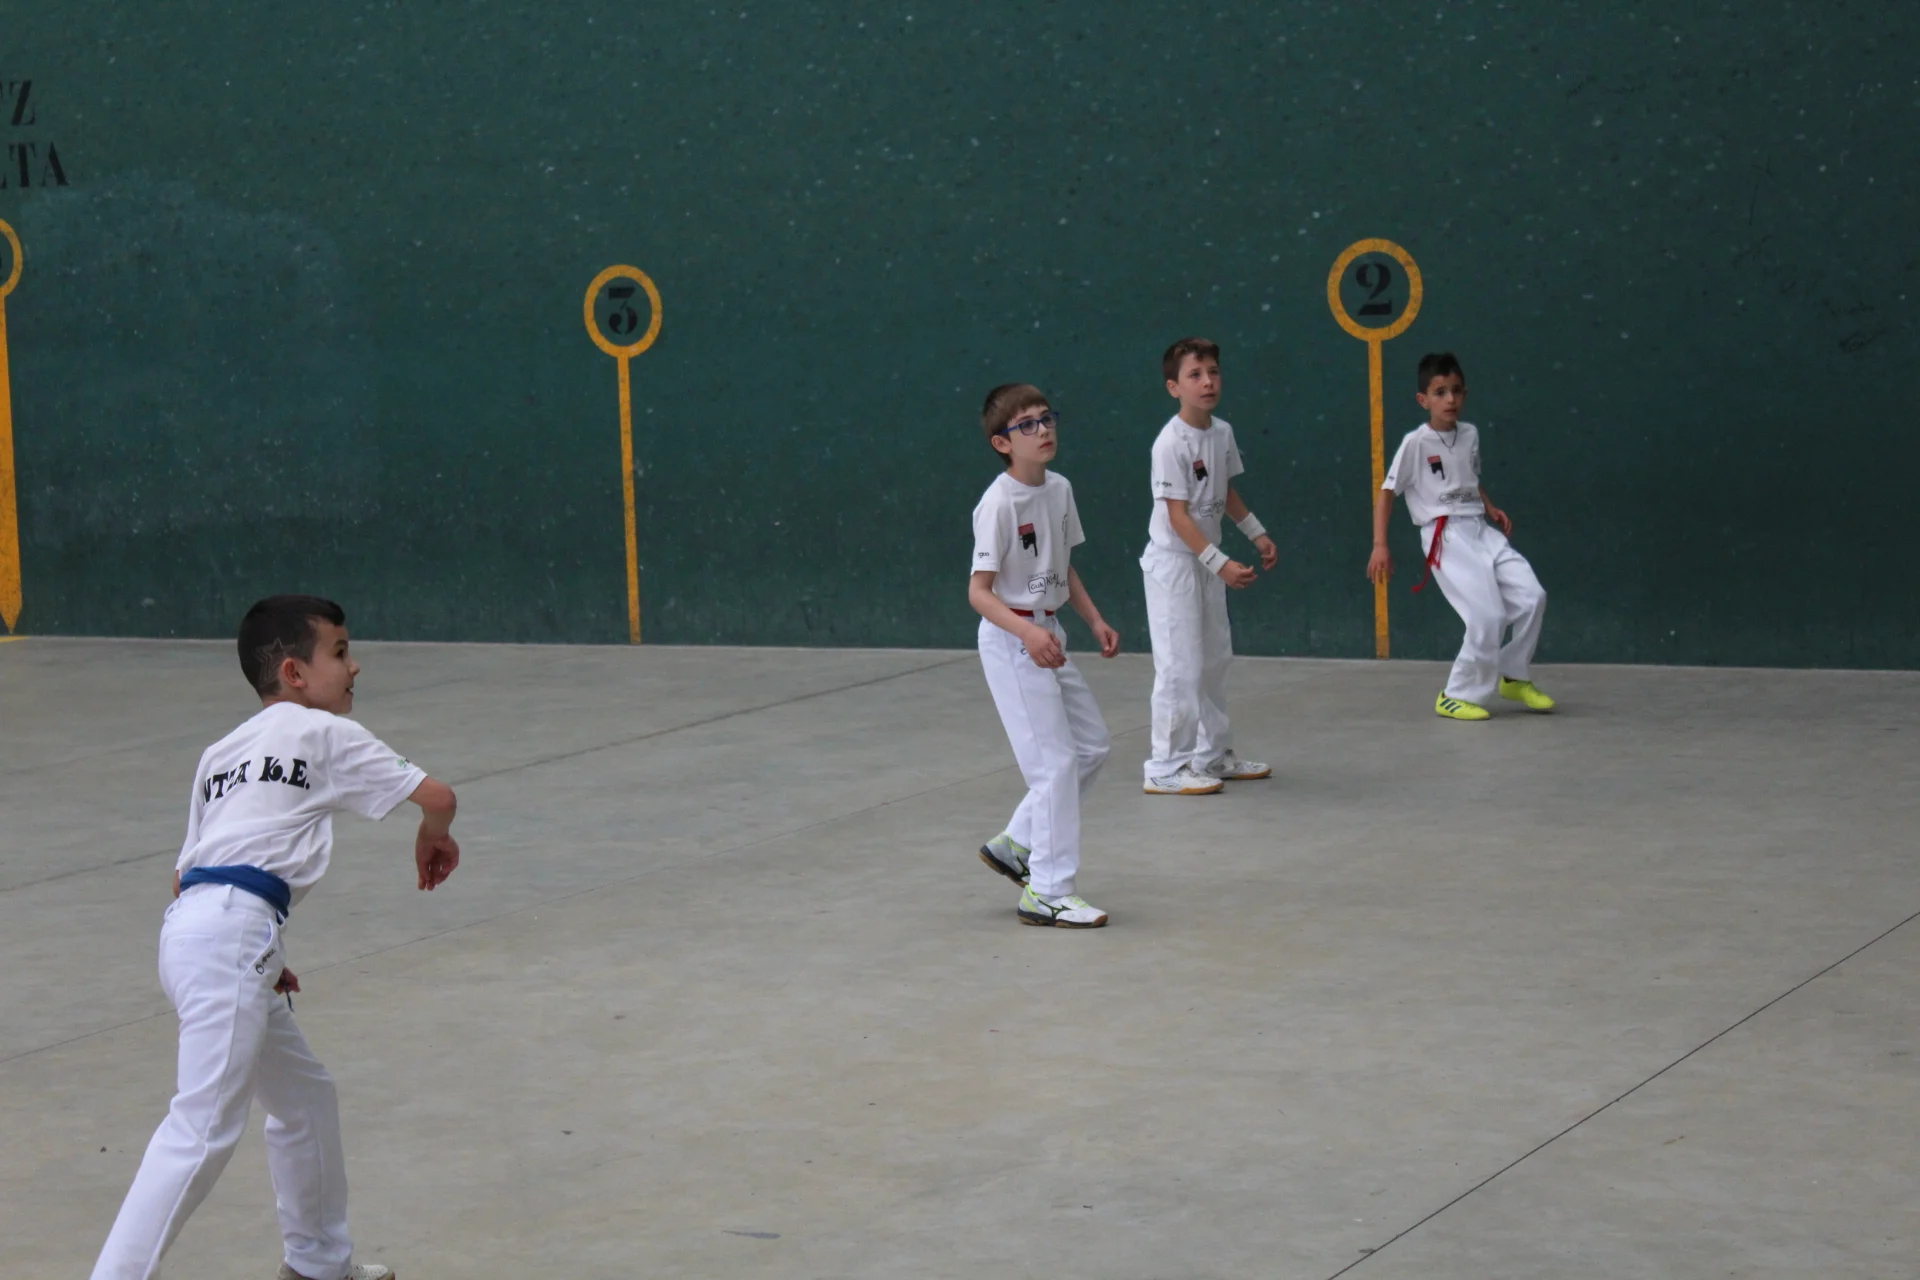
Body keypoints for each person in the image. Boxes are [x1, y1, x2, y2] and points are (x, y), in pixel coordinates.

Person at [93, 595, 461, 1280]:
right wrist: (433, 838)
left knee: (304, 1099)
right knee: (200, 1131)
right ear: (295, 672)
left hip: (195, 933)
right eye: (341, 652)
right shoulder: (325, 733)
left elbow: (189, 875)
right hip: (233, 938)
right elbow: (438, 798)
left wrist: (260, 959)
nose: (355, 666)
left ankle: (318, 1263)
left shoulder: (219, 754)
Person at [969, 384, 1120, 927]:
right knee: (1053, 765)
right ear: (1002, 443)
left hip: (1049, 633)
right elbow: (979, 593)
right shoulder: (998, 504)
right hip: (1013, 640)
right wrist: (1027, 635)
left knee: (1092, 746)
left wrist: (1094, 619)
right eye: (1027, 425)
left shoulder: (1060, 489)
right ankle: (1048, 892)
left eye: (1046, 418)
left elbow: (1062, 566)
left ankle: (1019, 842)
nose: (1043, 430)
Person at [1368, 351, 1555, 720]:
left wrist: (1489, 506)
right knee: (1487, 617)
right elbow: (1387, 492)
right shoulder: (1416, 443)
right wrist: (1380, 544)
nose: (1449, 399)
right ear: (1423, 400)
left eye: (1456, 391)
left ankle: (1514, 675)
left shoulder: (1470, 434)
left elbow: (1468, 478)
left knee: (1532, 597)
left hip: (1481, 529)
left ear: (1465, 394)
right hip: (1446, 537)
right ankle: (1454, 694)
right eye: (1440, 392)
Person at [1139, 337, 1279, 795]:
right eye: (1195, 375)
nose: (1207, 382)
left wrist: (1256, 532)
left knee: (1215, 660)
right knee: (1180, 666)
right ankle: (1165, 767)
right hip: (1174, 567)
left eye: (1213, 372)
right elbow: (1178, 516)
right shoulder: (1169, 443)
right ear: (1173, 387)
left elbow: (1224, 491)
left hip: (1206, 563)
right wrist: (1220, 563)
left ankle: (1212, 755)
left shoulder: (1222, 433)